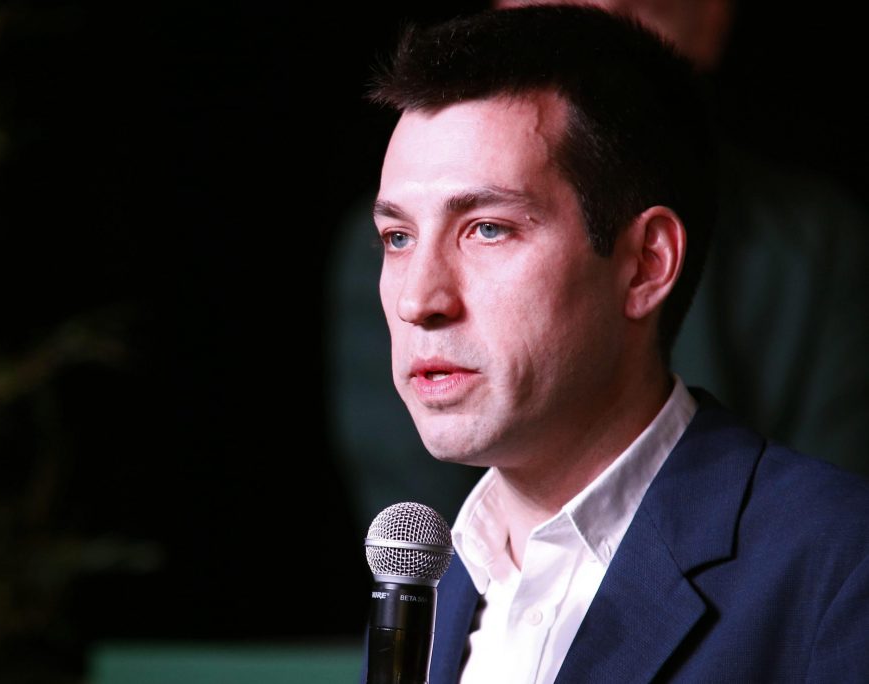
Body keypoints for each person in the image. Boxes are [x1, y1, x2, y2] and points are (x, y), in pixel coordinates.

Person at [363, 5, 869, 681]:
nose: (418, 300)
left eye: (487, 229)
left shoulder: (839, 564)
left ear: (645, 264)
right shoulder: (429, 585)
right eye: (398, 238)